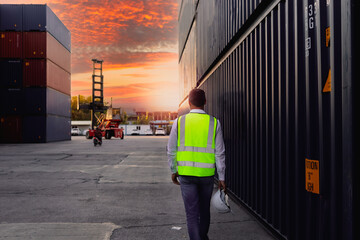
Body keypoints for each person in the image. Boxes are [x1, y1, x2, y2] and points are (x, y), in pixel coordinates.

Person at [167, 88, 226, 240]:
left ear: (189, 102)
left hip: (186, 175)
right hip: (206, 175)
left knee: (192, 214)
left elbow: (171, 150)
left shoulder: (179, 122)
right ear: (205, 102)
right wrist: (222, 178)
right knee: (204, 210)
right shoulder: (214, 123)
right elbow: (220, 153)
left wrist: (174, 170)